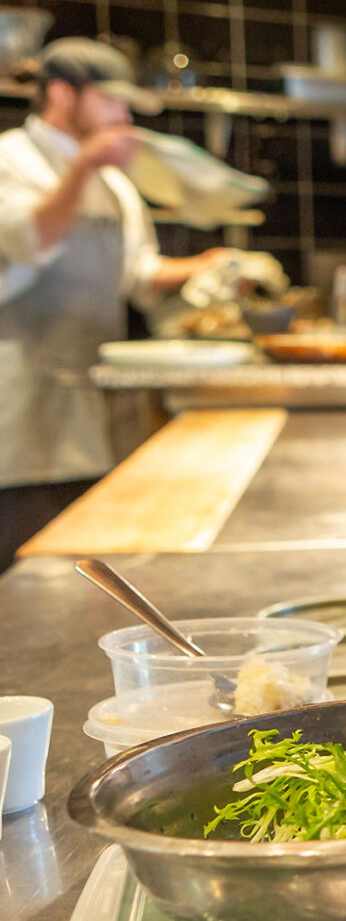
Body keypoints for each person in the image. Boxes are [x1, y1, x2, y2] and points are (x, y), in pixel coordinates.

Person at [0, 39, 222, 549]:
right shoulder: (12, 159)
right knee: (28, 566)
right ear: (60, 94)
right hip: (23, 407)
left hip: (94, 405)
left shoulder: (115, 182)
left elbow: (138, 275)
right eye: (110, 101)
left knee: (85, 558)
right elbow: (31, 240)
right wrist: (81, 170)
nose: (122, 116)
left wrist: (212, 265)